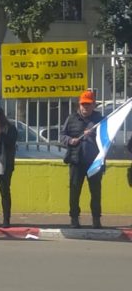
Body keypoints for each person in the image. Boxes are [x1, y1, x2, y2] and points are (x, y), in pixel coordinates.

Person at [61, 90, 103, 228]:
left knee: (95, 192)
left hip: (94, 162)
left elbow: (107, 137)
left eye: (88, 104)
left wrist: (93, 134)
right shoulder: (72, 118)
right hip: (76, 161)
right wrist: (69, 140)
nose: (86, 107)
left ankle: (96, 219)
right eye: (83, 104)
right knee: (74, 191)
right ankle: (74, 218)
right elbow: (62, 136)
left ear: (94, 105)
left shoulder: (100, 119)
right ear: (79, 105)